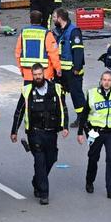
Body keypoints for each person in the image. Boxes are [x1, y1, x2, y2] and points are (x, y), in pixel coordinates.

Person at [10, 62, 69, 205]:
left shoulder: (56, 88)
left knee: (52, 158)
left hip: (51, 132)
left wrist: (65, 126)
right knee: (40, 162)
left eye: (39, 74)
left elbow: (63, 108)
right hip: (35, 133)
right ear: (32, 75)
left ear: (44, 74)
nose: (37, 77)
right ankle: (44, 193)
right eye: (35, 75)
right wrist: (14, 131)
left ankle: (37, 180)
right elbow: (19, 112)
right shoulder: (27, 91)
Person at [78, 70, 111, 199]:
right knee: (93, 158)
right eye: (104, 80)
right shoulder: (92, 94)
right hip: (96, 132)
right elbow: (84, 113)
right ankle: (89, 181)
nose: (106, 82)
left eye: (109, 80)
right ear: (100, 81)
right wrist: (80, 132)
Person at [52, 7, 87, 117]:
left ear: (60, 18)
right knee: (59, 94)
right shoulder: (59, 31)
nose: (53, 19)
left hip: (72, 71)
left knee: (76, 95)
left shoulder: (74, 31)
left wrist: (77, 68)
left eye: (54, 17)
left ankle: (82, 118)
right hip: (61, 70)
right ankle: (61, 117)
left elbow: (78, 51)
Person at [15, 8, 62, 82]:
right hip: (44, 73)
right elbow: (53, 53)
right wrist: (58, 68)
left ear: (30, 20)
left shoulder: (24, 33)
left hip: (27, 72)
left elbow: (18, 52)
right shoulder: (46, 33)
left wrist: (21, 69)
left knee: (28, 93)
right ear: (41, 20)